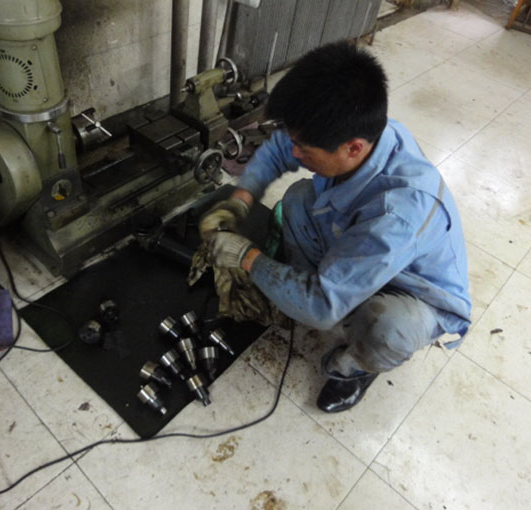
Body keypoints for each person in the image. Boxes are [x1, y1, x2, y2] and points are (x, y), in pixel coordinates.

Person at [199, 41, 471, 413]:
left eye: (304, 149)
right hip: (373, 248)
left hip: (414, 292)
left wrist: (247, 258)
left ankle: (355, 368)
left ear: (353, 149)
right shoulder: (363, 130)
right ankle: (301, 288)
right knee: (297, 199)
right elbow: (280, 148)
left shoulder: (398, 214)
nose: (295, 153)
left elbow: (322, 307)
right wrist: (240, 199)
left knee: (385, 326)